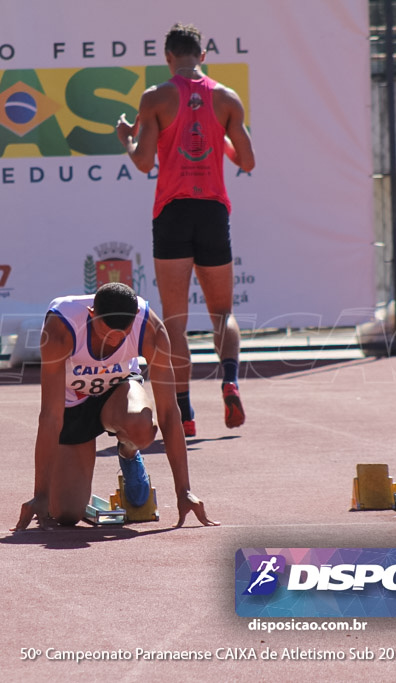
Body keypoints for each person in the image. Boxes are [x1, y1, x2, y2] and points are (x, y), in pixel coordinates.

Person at [116, 23, 255, 437]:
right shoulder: (227, 98)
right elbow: (246, 161)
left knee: (174, 322)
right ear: (203, 54)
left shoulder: (156, 97)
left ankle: (185, 413)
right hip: (212, 211)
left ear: (168, 56)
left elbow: (143, 162)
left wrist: (126, 138)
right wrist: (223, 136)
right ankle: (229, 378)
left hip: (173, 211)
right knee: (223, 313)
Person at [13, 282, 217, 530]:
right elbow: (50, 416)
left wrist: (184, 490)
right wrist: (41, 494)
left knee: (142, 426)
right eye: (104, 331)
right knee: (66, 514)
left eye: (122, 334)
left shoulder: (150, 328)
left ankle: (129, 453)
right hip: (73, 403)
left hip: (119, 393)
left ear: (134, 321)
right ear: (91, 314)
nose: (112, 342)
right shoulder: (61, 328)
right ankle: (59, 497)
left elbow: (169, 412)